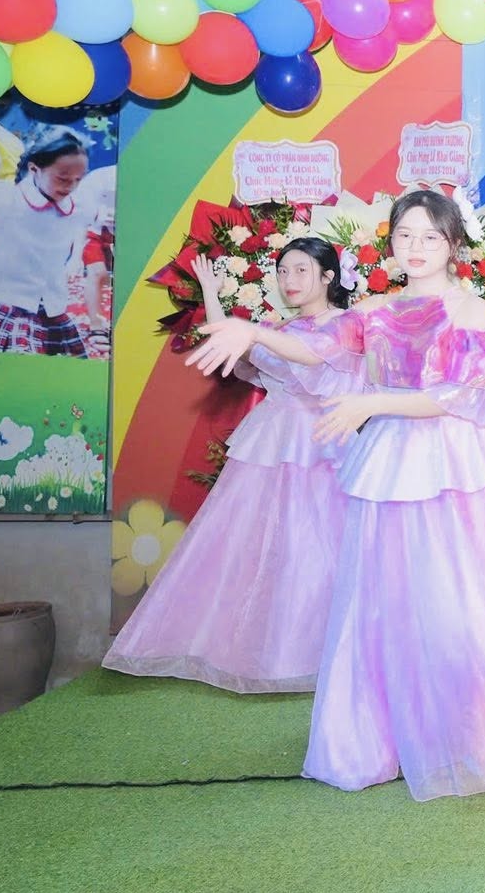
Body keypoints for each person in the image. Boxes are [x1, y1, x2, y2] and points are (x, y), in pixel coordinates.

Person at [186, 190, 485, 799]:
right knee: (381, 601)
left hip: (445, 463)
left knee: (456, 599)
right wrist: (252, 329)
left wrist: (373, 402)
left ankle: (481, 739)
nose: (415, 247)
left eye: (429, 237)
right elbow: (315, 346)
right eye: (405, 235)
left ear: (453, 245)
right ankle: (374, 741)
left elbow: (461, 395)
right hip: (387, 461)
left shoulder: (469, 310)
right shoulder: (374, 309)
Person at [107, 240, 359, 692]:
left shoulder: (343, 324)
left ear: (328, 277)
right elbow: (234, 345)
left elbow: (309, 355)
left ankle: (324, 654)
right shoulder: (278, 326)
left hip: (321, 441)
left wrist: (253, 332)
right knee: (252, 545)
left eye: (302, 270)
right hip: (270, 440)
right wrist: (211, 294)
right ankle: (255, 652)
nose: (290, 280)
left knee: (318, 548)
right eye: (283, 271)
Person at [0, 128, 110, 356]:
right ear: (34, 169)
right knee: (12, 358)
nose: (70, 186)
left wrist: (77, 257)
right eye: (62, 178)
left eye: (78, 179)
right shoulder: (8, 197)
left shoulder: (78, 203)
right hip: (5, 298)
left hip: (49, 300)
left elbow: (93, 220)